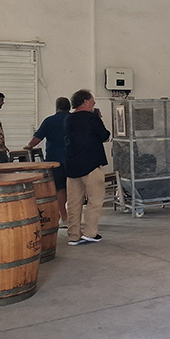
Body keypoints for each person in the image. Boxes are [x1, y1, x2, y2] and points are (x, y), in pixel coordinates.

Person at [64, 89, 110, 246]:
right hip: (90, 165)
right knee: (95, 200)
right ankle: (90, 232)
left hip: (72, 165)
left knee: (73, 202)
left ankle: (73, 235)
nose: (94, 103)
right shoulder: (91, 118)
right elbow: (105, 135)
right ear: (85, 102)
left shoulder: (68, 119)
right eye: (92, 100)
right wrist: (98, 119)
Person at [24, 97, 70, 225]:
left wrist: (29, 146)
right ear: (69, 107)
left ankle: (64, 216)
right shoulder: (73, 119)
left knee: (60, 188)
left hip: (55, 160)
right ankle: (74, 217)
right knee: (73, 188)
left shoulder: (49, 121)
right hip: (73, 158)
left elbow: (37, 138)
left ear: (56, 107)